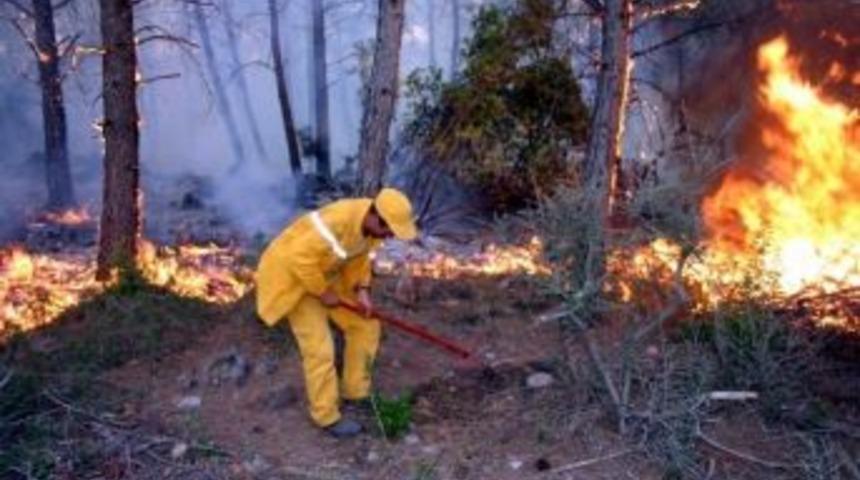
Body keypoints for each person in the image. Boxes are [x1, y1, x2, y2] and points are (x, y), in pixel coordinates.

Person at [255, 188, 418, 438]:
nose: (389, 236)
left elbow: (360, 260)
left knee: (366, 326)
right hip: (295, 281)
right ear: (375, 217)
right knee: (320, 349)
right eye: (388, 230)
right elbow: (299, 258)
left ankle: (356, 391)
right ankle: (326, 416)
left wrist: (362, 290)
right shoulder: (336, 222)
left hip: (326, 274)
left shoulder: (369, 229)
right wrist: (322, 293)